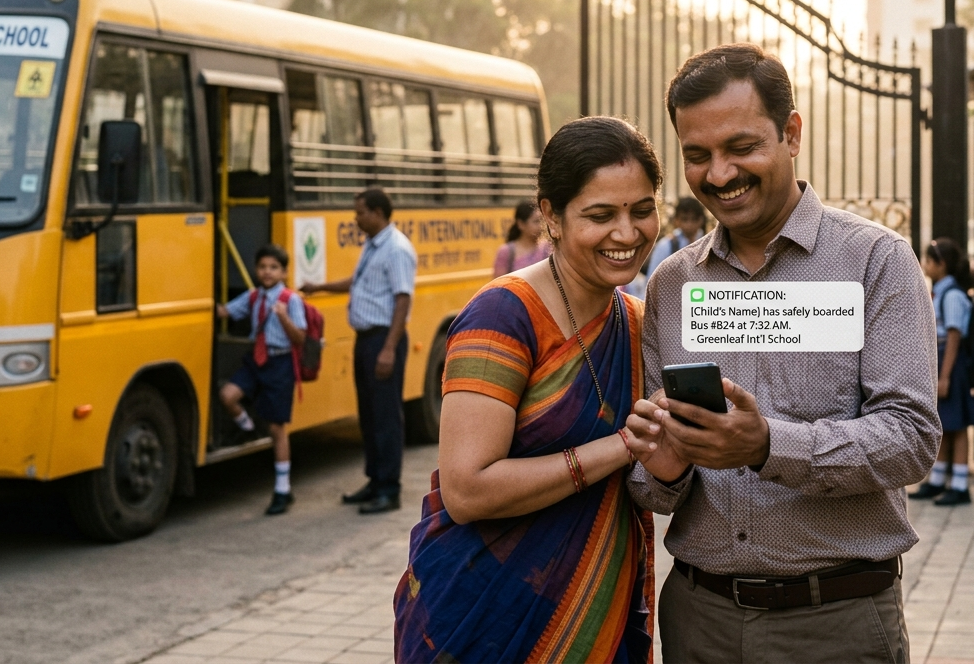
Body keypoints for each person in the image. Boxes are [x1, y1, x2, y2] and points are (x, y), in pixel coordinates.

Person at [624, 43, 939, 663]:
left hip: (838, 624)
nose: (719, 175)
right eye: (698, 156)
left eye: (741, 148)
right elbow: (653, 489)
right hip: (699, 620)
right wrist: (662, 467)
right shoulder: (672, 285)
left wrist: (768, 445)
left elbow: (911, 438)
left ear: (791, 134)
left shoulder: (875, 262)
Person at [394, 117, 663, 663]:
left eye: (641, 210)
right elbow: (467, 491)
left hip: (593, 613)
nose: (628, 233)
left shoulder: (638, 321)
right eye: (600, 215)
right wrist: (617, 447)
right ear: (550, 217)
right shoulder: (503, 315)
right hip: (483, 612)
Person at [299, 189, 416, 514]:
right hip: (367, 339)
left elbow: (402, 298)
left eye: (361, 212)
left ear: (378, 213)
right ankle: (374, 480)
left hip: (383, 339)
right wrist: (320, 287)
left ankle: (389, 489)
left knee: (385, 416)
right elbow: (359, 280)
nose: (356, 218)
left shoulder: (396, 249)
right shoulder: (373, 244)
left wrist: (389, 349)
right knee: (368, 414)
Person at [216, 244, 309, 516]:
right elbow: (226, 312)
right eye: (263, 267)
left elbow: (300, 338)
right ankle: (246, 427)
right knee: (228, 396)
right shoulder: (253, 296)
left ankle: (282, 489)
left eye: (274, 268)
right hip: (255, 361)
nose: (267, 272)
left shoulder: (290, 300)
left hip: (279, 362)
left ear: (283, 272)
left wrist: (283, 318)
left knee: (277, 428)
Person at [909, 237, 974, 506]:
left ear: (942, 264)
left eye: (928, 260)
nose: (924, 265)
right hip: (940, 362)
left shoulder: (952, 296)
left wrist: (945, 376)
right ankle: (938, 480)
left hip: (950, 363)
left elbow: (953, 336)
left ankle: (960, 485)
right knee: (944, 422)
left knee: (957, 425)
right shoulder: (940, 291)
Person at [643, 196, 707, 278]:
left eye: (694, 219)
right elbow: (652, 279)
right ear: (676, 220)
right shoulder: (666, 245)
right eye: (685, 219)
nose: (689, 225)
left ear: (701, 220)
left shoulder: (708, 244)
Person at [492, 200, 551, 277]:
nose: (541, 226)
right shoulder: (507, 252)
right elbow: (498, 285)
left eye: (541, 221)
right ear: (521, 224)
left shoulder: (547, 248)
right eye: (536, 221)